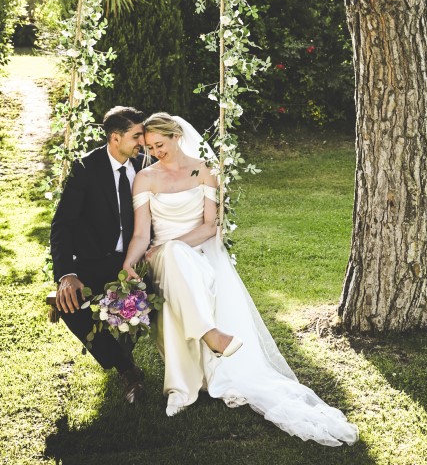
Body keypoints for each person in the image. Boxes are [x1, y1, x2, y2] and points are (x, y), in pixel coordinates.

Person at [122, 112, 359, 446]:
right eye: (149, 147)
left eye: (160, 144)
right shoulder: (145, 179)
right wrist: (131, 263)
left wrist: (176, 244)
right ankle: (209, 337)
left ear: (176, 136)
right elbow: (141, 233)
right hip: (160, 256)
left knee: (179, 259)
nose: (155, 152)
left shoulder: (204, 170)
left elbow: (209, 226)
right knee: (172, 258)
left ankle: (183, 386)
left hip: (196, 251)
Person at [50, 105, 146, 403]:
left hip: (138, 258)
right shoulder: (85, 168)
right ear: (115, 138)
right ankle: (126, 368)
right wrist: (66, 275)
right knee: (69, 302)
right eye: (136, 136)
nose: (141, 142)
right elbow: (62, 224)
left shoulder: (147, 164)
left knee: (163, 293)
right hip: (95, 260)